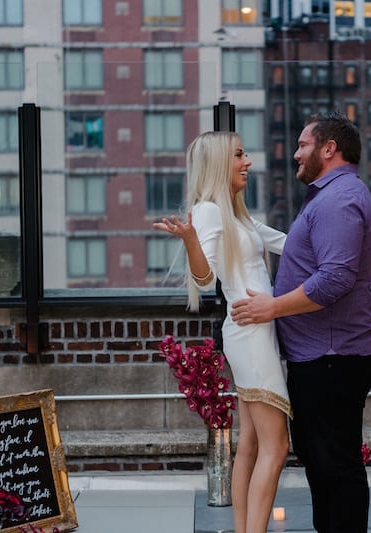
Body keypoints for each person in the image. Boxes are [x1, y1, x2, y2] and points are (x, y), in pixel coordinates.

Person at [230, 111, 371, 533]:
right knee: (323, 462)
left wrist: (271, 308)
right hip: (323, 357)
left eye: (302, 145)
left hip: (333, 357)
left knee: (336, 465)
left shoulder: (340, 200)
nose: (295, 154)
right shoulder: (329, 197)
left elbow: (335, 278)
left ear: (328, 149)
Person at [153, 131, 291, 533]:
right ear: (217, 164)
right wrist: (192, 239)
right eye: (239, 155)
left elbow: (287, 243)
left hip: (255, 332)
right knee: (276, 445)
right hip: (250, 334)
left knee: (249, 444)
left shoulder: (235, 214)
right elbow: (204, 274)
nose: (247, 162)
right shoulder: (210, 212)